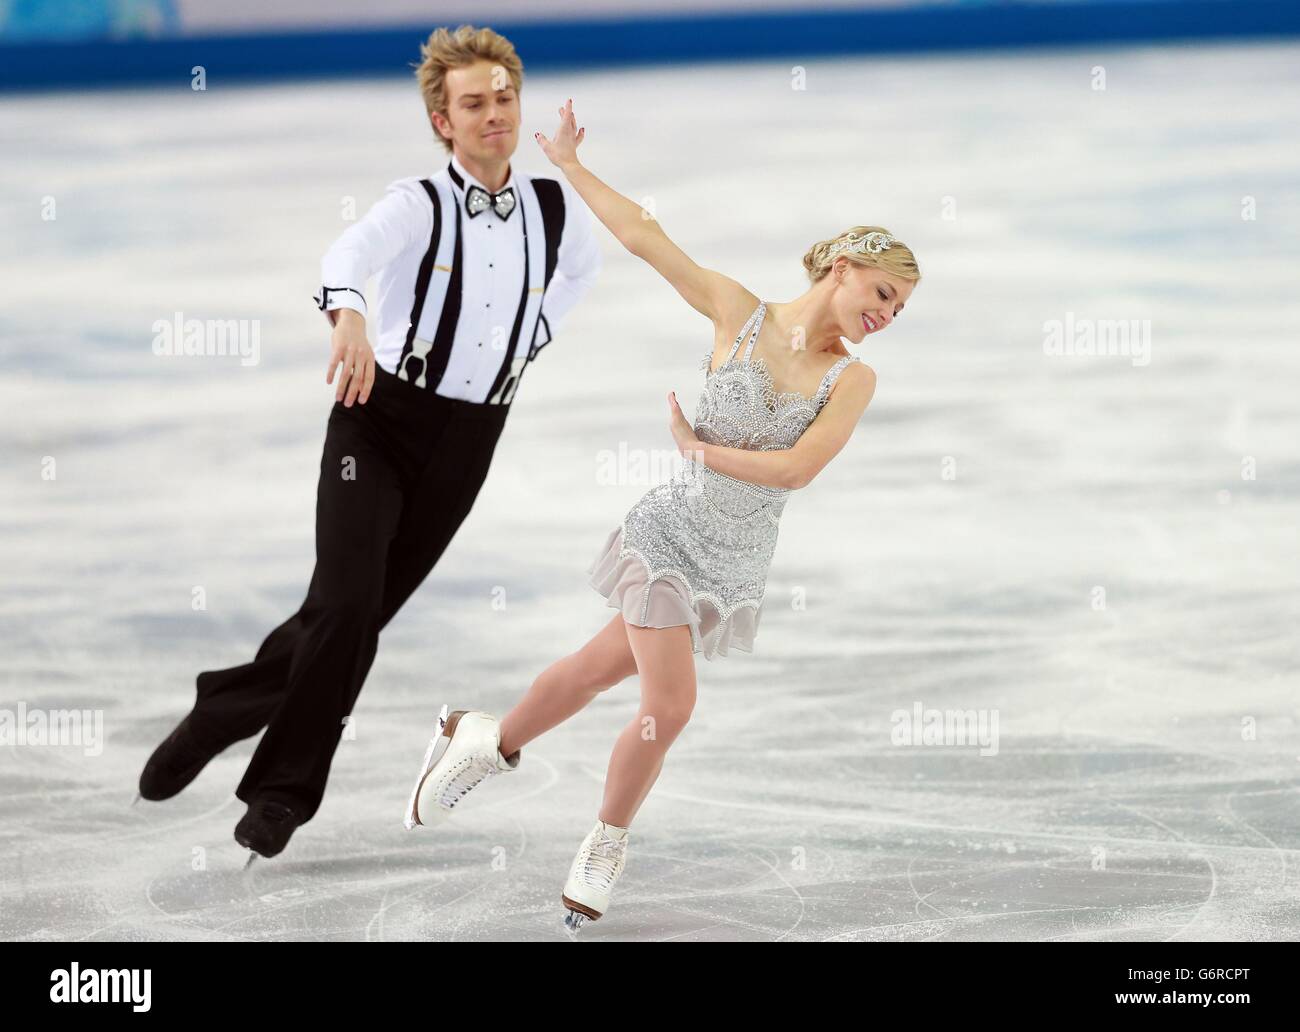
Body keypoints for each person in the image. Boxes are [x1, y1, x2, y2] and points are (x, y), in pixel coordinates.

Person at [404, 99, 921, 930]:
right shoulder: (737, 312)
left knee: (593, 670)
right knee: (669, 705)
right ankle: (605, 843)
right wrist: (570, 165)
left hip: (736, 556)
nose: (886, 316)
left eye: (899, 311)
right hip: (668, 533)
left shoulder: (851, 379)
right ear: (845, 268)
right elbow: (647, 238)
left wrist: (701, 447)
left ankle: (485, 738)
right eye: (884, 293)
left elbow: (795, 469)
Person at [136, 25, 602, 862]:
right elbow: (349, 253)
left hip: (470, 439)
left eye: (504, 97)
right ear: (442, 121)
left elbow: (581, 275)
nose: (494, 114)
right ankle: (281, 796)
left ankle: (223, 708)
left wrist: (529, 339)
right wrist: (349, 314)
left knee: (348, 619)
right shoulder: (416, 202)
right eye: (474, 104)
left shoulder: (555, 208)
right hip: (377, 419)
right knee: (348, 607)